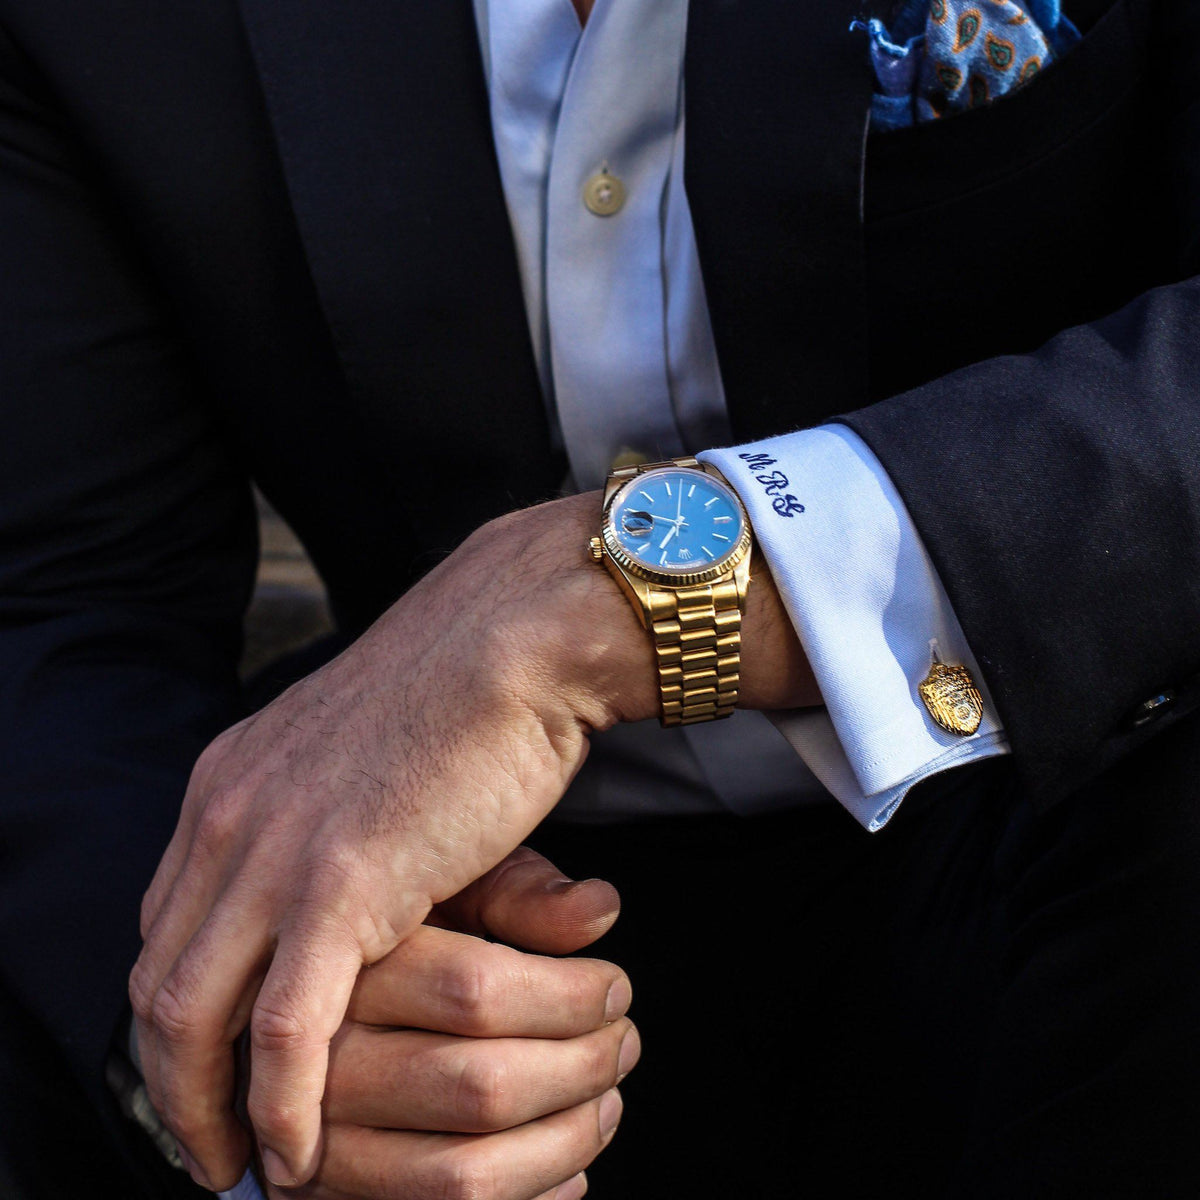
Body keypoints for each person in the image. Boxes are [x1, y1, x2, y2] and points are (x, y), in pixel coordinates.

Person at [2, 0, 1199, 1196]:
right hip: (474, 906)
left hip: (1066, 800)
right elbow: (66, 600)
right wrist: (236, 1014)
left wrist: (604, 608)